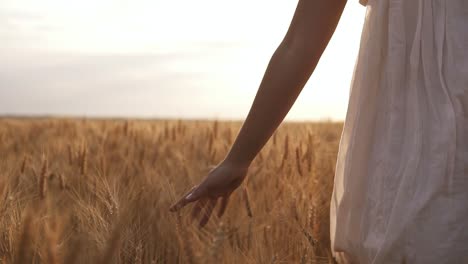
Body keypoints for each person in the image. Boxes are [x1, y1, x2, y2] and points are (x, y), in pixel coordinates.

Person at [170, 0, 468, 263]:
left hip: (411, 142)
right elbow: (299, 42)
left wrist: (238, 160)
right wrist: (238, 158)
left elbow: (299, 42)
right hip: (413, 144)